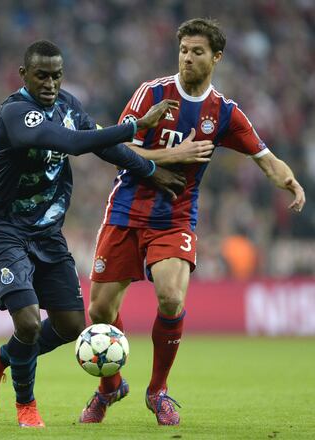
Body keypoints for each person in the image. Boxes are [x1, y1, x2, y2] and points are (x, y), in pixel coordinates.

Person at [80, 18, 306, 426]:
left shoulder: (223, 112)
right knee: (98, 311)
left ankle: (157, 391)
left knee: (171, 297)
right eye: (183, 50)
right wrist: (173, 156)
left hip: (175, 217)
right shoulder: (152, 93)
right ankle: (109, 388)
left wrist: (289, 181)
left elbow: (264, 156)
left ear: (216, 57)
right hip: (125, 211)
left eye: (197, 52)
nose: (187, 58)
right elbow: (115, 144)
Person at [0, 39, 207, 428]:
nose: (49, 83)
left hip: (47, 233)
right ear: (24, 75)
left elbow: (106, 148)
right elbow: (71, 143)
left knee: (69, 326)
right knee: (28, 322)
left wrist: (149, 170)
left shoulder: (68, 106)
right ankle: (26, 406)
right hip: (4, 229)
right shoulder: (15, 113)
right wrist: (135, 126)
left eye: (56, 76)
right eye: (41, 75)